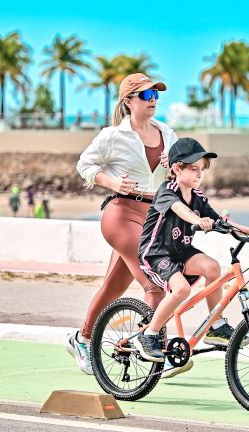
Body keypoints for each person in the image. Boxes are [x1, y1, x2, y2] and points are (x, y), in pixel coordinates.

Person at [68, 73, 179, 376]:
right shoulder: (112, 136)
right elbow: (85, 166)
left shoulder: (168, 133)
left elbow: (183, 175)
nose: (153, 99)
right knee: (154, 282)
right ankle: (160, 350)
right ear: (128, 101)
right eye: (145, 95)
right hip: (121, 215)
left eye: (156, 93)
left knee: (113, 288)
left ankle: (82, 338)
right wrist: (112, 181)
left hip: (153, 219)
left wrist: (176, 168)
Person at [133, 137, 249, 363]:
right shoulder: (168, 190)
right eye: (194, 169)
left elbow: (221, 220)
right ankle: (149, 335)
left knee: (212, 267)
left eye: (202, 170)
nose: (199, 174)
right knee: (182, 290)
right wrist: (198, 219)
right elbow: (179, 210)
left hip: (181, 250)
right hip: (157, 252)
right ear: (177, 168)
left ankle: (216, 326)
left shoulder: (198, 198)